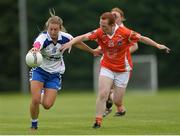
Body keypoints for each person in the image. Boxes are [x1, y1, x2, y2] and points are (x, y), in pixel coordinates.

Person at [60, 12, 170, 128]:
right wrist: (70, 43)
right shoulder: (99, 32)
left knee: (117, 100)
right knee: (102, 94)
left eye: (104, 26)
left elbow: (142, 39)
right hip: (107, 66)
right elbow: (82, 37)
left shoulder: (125, 33)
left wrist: (158, 45)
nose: (101, 28)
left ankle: (117, 104)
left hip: (123, 70)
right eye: (100, 25)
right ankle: (98, 121)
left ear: (112, 25)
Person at [29, 10, 96, 130]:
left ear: (60, 28)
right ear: (47, 28)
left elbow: (78, 43)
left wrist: (92, 51)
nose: (53, 32)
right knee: (35, 99)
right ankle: (34, 125)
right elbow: (37, 45)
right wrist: (35, 50)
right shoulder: (43, 38)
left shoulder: (66, 37)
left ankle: (42, 93)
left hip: (55, 74)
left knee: (47, 105)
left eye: (56, 29)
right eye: (51, 29)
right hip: (39, 71)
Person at [103, 7, 139, 117]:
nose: (113, 18)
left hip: (121, 65)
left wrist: (121, 53)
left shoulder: (125, 31)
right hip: (108, 62)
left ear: (122, 18)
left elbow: (135, 46)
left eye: (116, 16)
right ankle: (116, 108)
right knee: (107, 89)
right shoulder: (108, 29)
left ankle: (111, 107)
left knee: (110, 90)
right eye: (112, 16)